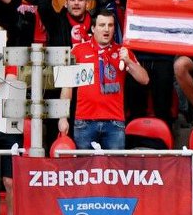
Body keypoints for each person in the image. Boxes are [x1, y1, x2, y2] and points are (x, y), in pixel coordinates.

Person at [63, 10, 148, 151]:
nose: (106, 29)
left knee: (114, 170)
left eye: (110, 25)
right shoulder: (78, 51)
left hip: (115, 123)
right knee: (85, 170)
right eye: (102, 25)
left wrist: (128, 61)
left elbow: (144, 79)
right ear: (93, 28)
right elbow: (67, 87)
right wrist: (62, 117)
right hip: (84, 122)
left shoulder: (123, 52)